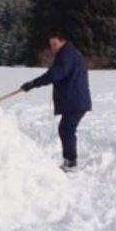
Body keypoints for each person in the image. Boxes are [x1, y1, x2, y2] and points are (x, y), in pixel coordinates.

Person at [20, 30, 92, 170]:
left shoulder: (67, 55)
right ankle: (70, 161)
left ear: (63, 41)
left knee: (66, 129)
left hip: (76, 100)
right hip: (74, 100)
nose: (52, 48)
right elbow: (55, 74)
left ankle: (70, 162)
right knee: (66, 129)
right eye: (50, 45)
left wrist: (33, 84)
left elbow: (55, 74)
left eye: (55, 44)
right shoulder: (67, 53)